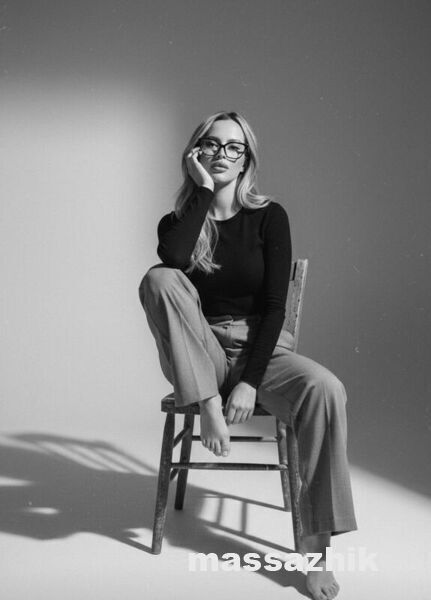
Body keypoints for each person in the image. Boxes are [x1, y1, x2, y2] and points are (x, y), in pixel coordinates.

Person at [139, 111, 357, 600]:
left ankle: (317, 555)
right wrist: (202, 191)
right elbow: (173, 263)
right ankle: (207, 405)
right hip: (199, 350)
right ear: (195, 153)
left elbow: (276, 307)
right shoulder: (177, 224)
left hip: (260, 347)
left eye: (234, 147)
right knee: (159, 277)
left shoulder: (269, 217)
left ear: (247, 159)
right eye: (211, 144)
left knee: (326, 388)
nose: (222, 154)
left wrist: (249, 381)